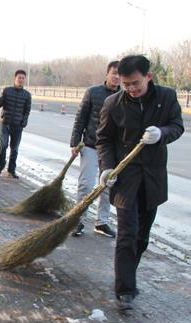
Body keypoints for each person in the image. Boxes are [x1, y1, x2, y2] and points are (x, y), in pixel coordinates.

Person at [96, 55, 184, 312]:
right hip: (126, 178)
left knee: (142, 237)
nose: (131, 89)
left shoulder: (167, 97)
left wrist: (162, 134)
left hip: (153, 179)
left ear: (149, 76)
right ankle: (124, 290)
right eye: (126, 84)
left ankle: (128, 275)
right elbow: (104, 140)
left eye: (135, 83)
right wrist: (107, 168)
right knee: (127, 234)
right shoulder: (113, 104)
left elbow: (177, 126)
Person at [69, 61, 120, 239]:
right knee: (86, 185)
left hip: (112, 150)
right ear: (107, 74)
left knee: (106, 187)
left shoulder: (124, 96)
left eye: (120, 74)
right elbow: (80, 117)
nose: (117, 77)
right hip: (91, 145)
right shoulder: (93, 92)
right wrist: (75, 142)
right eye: (114, 73)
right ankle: (78, 220)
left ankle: (101, 222)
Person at [0, 69, 31, 178]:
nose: (21, 80)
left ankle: (11, 170)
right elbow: (0, 104)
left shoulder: (27, 95)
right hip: (5, 123)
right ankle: (1, 165)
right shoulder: (7, 91)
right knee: (3, 146)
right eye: (19, 77)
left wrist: (24, 121)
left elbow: (27, 110)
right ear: (15, 78)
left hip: (17, 125)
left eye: (23, 78)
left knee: (14, 149)